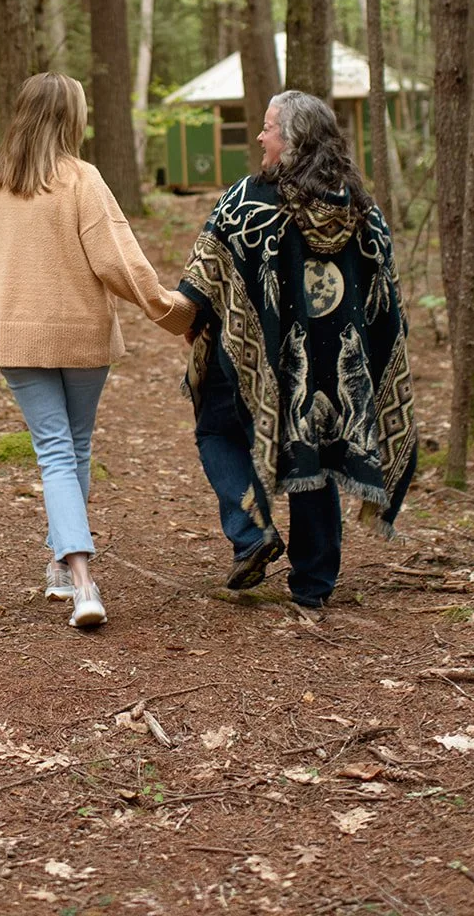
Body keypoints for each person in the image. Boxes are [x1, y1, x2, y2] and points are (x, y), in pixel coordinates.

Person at [177, 90, 417, 609]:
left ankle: (250, 532)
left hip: (252, 361)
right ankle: (313, 585)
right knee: (317, 449)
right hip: (333, 364)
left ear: (294, 141)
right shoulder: (364, 212)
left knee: (217, 425)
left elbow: (202, 279)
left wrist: (185, 315)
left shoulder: (246, 201)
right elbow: (386, 303)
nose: (260, 137)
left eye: (269, 128)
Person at [0, 72, 195, 629]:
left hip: (18, 335)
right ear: (67, 119)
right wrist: (174, 313)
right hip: (80, 333)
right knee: (68, 449)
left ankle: (59, 566)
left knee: (61, 449)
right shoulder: (82, 179)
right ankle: (83, 584)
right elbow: (117, 262)